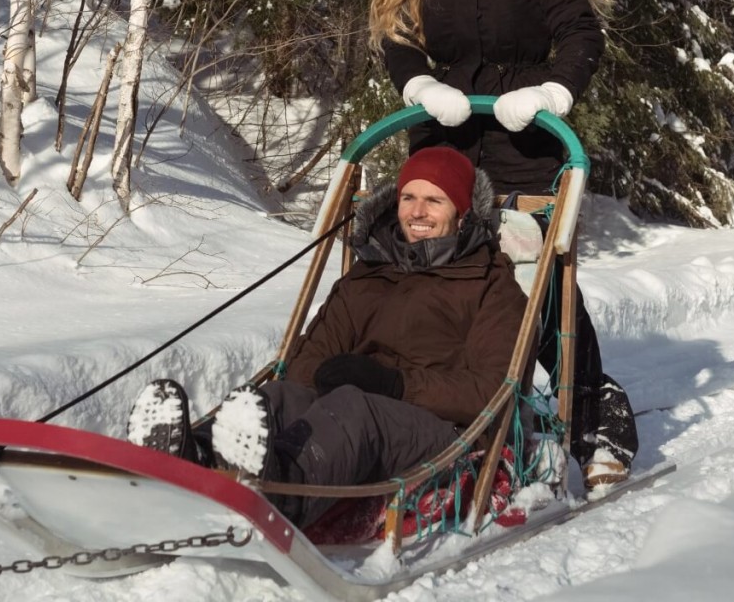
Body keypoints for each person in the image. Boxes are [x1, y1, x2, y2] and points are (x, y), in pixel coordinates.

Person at [367, 0, 638, 489]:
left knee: (534, 285)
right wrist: (420, 84)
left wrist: (551, 91)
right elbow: (397, 35)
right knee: (431, 275)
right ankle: (440, 410)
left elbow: (580, 34)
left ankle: (593, 419)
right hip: (446, 139)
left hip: (524, 143)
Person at [126, 147, 528, 528]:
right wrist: (328, 374)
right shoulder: (368, 275)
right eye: (408, 197)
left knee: (354, 409)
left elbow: (490, 390)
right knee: (282, 396)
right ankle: (190, 456)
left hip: (442, 430)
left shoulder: (491, 285)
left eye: (434, 200)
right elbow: (309, 358)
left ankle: (279, 496)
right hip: (357, 408)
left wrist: (395, 384)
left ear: (463, 214)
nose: (417, 211)